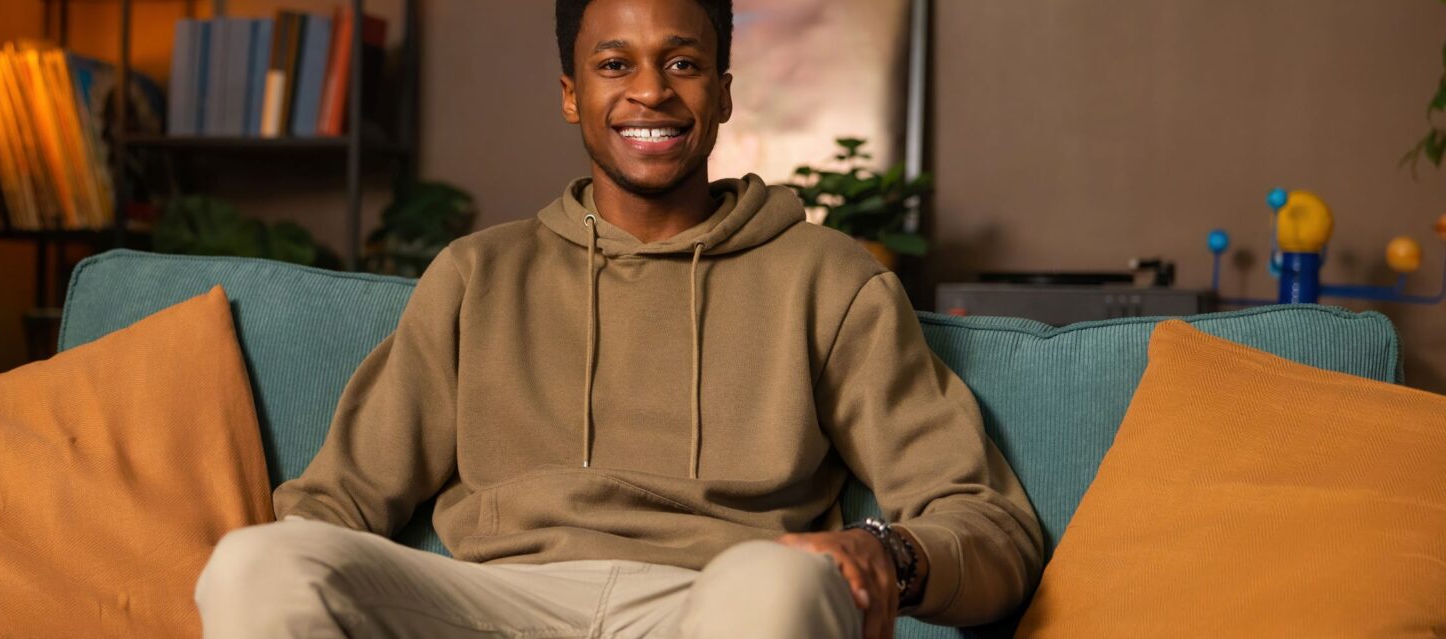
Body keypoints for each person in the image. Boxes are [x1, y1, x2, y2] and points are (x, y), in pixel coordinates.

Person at [194, 0, 1044, 636]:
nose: (650, 92)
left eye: (682, 64)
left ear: (723, 93)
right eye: (614, 64)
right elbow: (332, 505)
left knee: (781, 588)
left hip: (714, 603)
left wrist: (888, 553)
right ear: (571, 94)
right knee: (259, 562)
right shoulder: (476, 275)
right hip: (497, 603)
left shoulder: (825, 278)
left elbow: (989, 521)